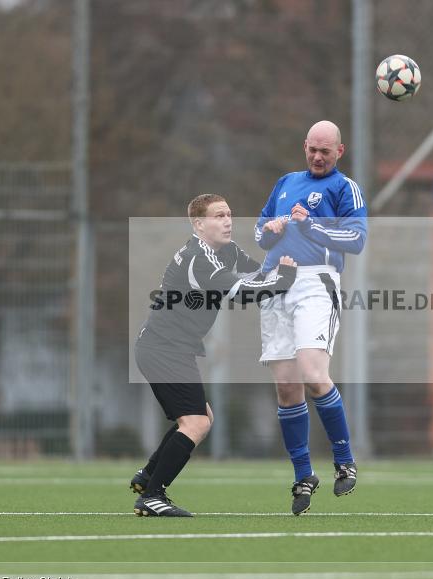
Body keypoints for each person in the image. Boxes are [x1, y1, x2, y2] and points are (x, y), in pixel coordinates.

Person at [132, 193, 297, 517]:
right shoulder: (200, 259)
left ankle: (148, 476)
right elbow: (245, 293)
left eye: (229, 214)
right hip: (162, 348)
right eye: (218, 216)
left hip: (171, 348)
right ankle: (152, 495)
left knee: (200, 418)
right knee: (195, 423)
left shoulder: (227, 251)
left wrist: (282, 245)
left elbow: (258, 274)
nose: (227, 221)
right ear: (199, 224)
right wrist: (286, 279)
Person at [254, 120, 368, 515]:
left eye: (326, 151)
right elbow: (259, 233)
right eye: (312, 150)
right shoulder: (286, 181)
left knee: (313, 372)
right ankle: (304, 474)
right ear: (304, 147)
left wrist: (311, 225)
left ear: (340, 150)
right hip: (275, 282)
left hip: (315, 283)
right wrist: (269, 230)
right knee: (287, 386)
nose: (318, 157)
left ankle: (344, 460)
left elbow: (357, 239)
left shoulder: (343, 187)